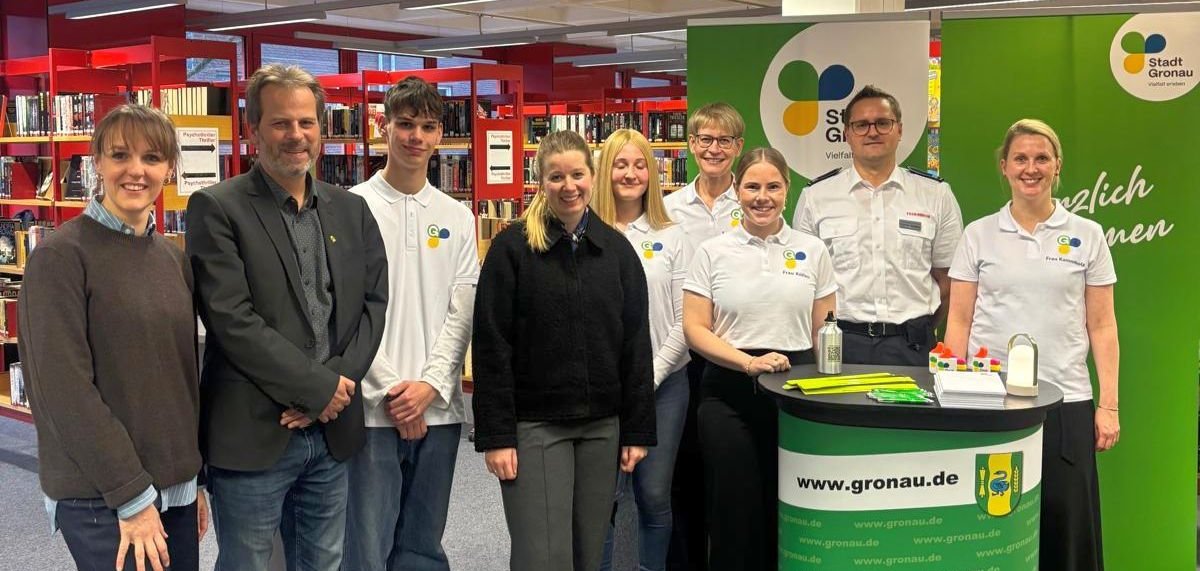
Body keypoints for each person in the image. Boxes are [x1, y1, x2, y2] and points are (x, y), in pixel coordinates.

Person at [186, 63, 388, 571]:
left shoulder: (351, 210)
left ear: (321, 128)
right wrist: (317, 390)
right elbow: (232, 320)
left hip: (332, 432)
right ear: (253, 129)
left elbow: (373, 305)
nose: (296, 135)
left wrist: (334, 388)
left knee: (324, 562)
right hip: (254, 431)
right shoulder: (217, 208)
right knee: (248, 564)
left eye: (306, 122)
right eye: (280, 123)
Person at [19, 104, 206, 571]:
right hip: (103, 495)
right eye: (120, 155)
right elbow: (63, 392)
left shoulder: (171, 258)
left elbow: (181, 378)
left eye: (152, 157)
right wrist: (131, 495)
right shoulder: (60, 258)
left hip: (174, 489)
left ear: (169, 168)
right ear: (97, 162)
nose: (136, 170)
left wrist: (193, 479)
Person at [472, 129, 656, 571]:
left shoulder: (617, 252)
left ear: (592, 177)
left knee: (588, 555)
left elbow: (635, 345)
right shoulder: (512, 249)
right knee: (542, 557)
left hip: (602, 427)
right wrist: (496, 436)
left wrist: (637, 430)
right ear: (541, 182)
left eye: (577, 175)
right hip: (535, 426)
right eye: (556, 177)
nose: (568, 186)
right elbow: (492, 346)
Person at [944, 119, 1119, 571]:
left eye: (1042, 158)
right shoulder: (978, 235)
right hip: (990, 401)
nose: (1031, 168)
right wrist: (953, 395)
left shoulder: (1088, 235)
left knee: (1067, 525)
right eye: (1020, 158)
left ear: (1057, 166)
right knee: (992, 525)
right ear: (1004, 166)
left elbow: (1102, 326)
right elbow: (959, 320)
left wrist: (1108, 405)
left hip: (1066, 402)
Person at [343, 76, 477, 570]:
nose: (415, 136)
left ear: (440, 134)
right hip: (371, 410)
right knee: (366, 548)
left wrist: (429, 386)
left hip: (439, 409)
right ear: (383, 127)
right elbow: (346, 312)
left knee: (423, 546)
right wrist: (393, 392)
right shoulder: (350, 207)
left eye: (427, 126)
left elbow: (462, 310)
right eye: (405, 124)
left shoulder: (458, 216)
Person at [682, 147, 837, 571]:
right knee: (734, 508)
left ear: (787, 190)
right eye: (752, 186)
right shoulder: (712, 251)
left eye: (773, 186)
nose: (762, 197)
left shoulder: (812, 250)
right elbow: (695, 328)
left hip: (795, 392)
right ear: (737, 190)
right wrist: (747, 363)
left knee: (790, 503)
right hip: (728, 391)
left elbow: (825, 330)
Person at [792, 85, 962, 366]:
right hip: (840, 343)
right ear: (846, 134)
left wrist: (920, 326)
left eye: (883, 123)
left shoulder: (936, 195)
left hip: (912, 345)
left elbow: (947, 281)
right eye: (861, 125)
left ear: (900, 130)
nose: (872, 132)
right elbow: (804, 282)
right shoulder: (815, 197)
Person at [592, 129, 690, 571]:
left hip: (663, 386)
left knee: (653, 494)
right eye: (620, 164)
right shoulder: (585, 231)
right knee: (602, 497)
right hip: (602, 390)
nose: (630, 174)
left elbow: (685, 321)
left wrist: (647, 377)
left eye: (639, 165)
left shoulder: (673, 235)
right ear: (604, 172)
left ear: (651, 173)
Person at [660, 101, 746, 571]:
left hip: (736, 354)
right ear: (691, 144)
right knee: (684, 468)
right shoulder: (669, 209)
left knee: (730, 471)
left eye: (725, 140)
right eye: (706, 139)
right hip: (682, 356)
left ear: (738, 147)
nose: (714, 149)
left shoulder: (752, 201)